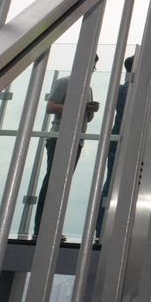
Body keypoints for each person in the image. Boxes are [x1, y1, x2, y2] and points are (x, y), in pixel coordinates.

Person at [34, 55, 99, 238]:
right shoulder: (64, 82)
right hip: (60, 136)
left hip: (77, 139)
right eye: (91, 67)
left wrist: (89, 110)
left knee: (61, 184)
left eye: (93, 69)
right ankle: (41, 229)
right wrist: (79, 107)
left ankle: (50, 229)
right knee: (54, 181)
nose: (91, 71)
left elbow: (86, 118)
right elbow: (51, 107)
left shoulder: (88, 89)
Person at [95, 54, 133, 239]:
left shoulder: (119, 90)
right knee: (117, 184)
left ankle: (102, 230)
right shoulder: (130, 92)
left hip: (117, 139)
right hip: (125, 141)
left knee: (111, 183)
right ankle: (110, 230)